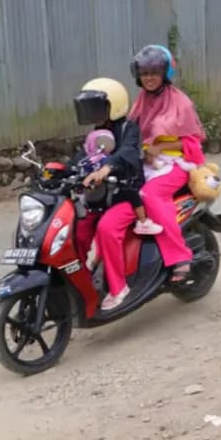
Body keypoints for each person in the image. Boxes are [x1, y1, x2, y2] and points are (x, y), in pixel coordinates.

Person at [128, 45, 207, 282]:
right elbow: (130, 131)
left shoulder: (180, 103)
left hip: (177, 164)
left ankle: (179, 257)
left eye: (154, 72)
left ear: (165, 73)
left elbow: (193, 144)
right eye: (144, 73)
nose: (149, 78)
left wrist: (159, 148)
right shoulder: (142, 100)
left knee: (150, 196)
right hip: (148, 163)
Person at [70, 77, 143, 311]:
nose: (92, 114)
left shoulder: (128, 129)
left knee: (107, 229)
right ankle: (79, 283)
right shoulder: (96, 134)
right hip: (98, 198)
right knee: (77, 231)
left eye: (97, 108)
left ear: (114, 105)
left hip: (125, 195)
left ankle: (119, 287)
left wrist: (107, 168)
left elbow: (128, 153)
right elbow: (81, 158)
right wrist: (58, 171)